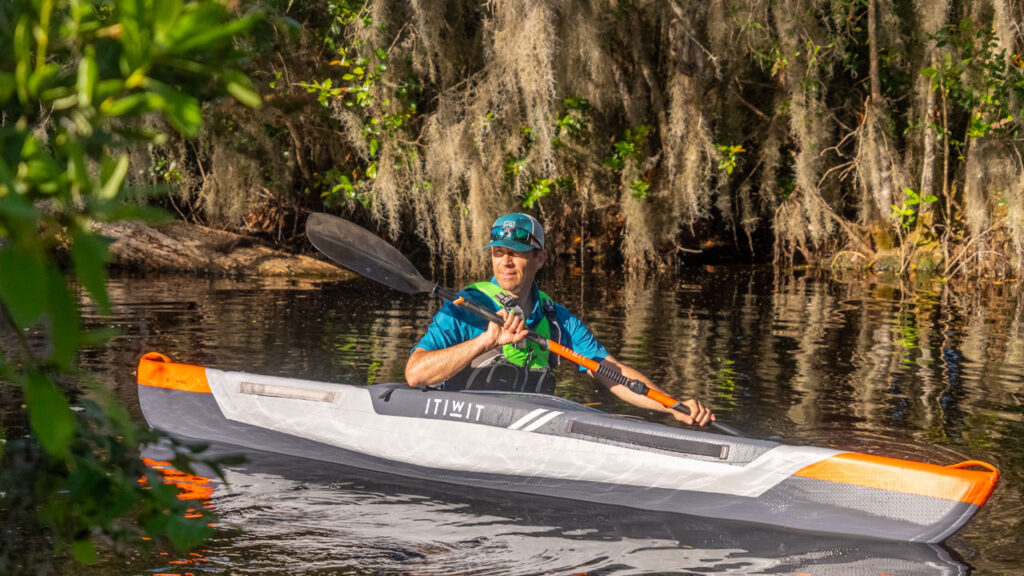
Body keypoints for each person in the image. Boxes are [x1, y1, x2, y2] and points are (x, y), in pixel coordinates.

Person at [405, 213, 715, 427]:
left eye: (516, 252)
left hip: (524, 434)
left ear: (539, 258)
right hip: (460, 427)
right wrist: (485, 341)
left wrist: (673, 406)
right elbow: (415, 374)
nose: (506, 262)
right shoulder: (465, 306)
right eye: (498, 252)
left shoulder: (556, 319)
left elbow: (613, 373)